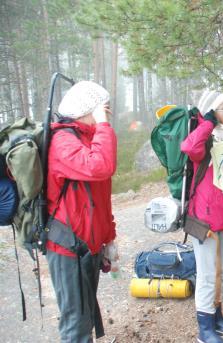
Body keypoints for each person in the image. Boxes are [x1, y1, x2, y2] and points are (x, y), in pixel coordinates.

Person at [46, 81, 118, 342]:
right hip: (67, 248)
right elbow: (100, 166)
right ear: (88, 109)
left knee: (84, 316)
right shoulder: (63, 141)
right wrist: (104, 125)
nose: (107, 112)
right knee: (76, 324)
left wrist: (108, 237)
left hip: (88, 246)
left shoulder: (88, 138)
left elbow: (101, 197)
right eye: (103, 107)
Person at [182, 90, 223, 343]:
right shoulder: (205, 141)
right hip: (205, 220)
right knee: (207, 275)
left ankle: (217, 319)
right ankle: (205, 329)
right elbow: (188, 147)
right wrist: (207, 121)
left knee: (220, 273)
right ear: (211, 113)